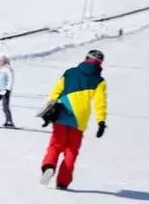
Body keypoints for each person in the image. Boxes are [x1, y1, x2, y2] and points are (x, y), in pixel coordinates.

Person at [39, 49, 108, 190]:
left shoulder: (70, 72)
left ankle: (49, 166)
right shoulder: (100, 81)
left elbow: (55, 92)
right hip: (80, 119)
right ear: (100, 64)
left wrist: (48, 110)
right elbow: (100, 103)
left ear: (85, 58)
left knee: (55, 145)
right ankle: (63, 182)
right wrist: (101, 121)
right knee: (71, 151)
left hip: (62, 112)